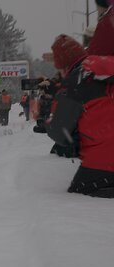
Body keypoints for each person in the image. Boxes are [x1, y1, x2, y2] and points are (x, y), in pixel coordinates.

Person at [48, 34, 114, 198]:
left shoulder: (76, 81)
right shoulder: (106, 65)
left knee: (73, 199)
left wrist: (46, 122)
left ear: (63, 66)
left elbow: (60, 132)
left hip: (104, 161)